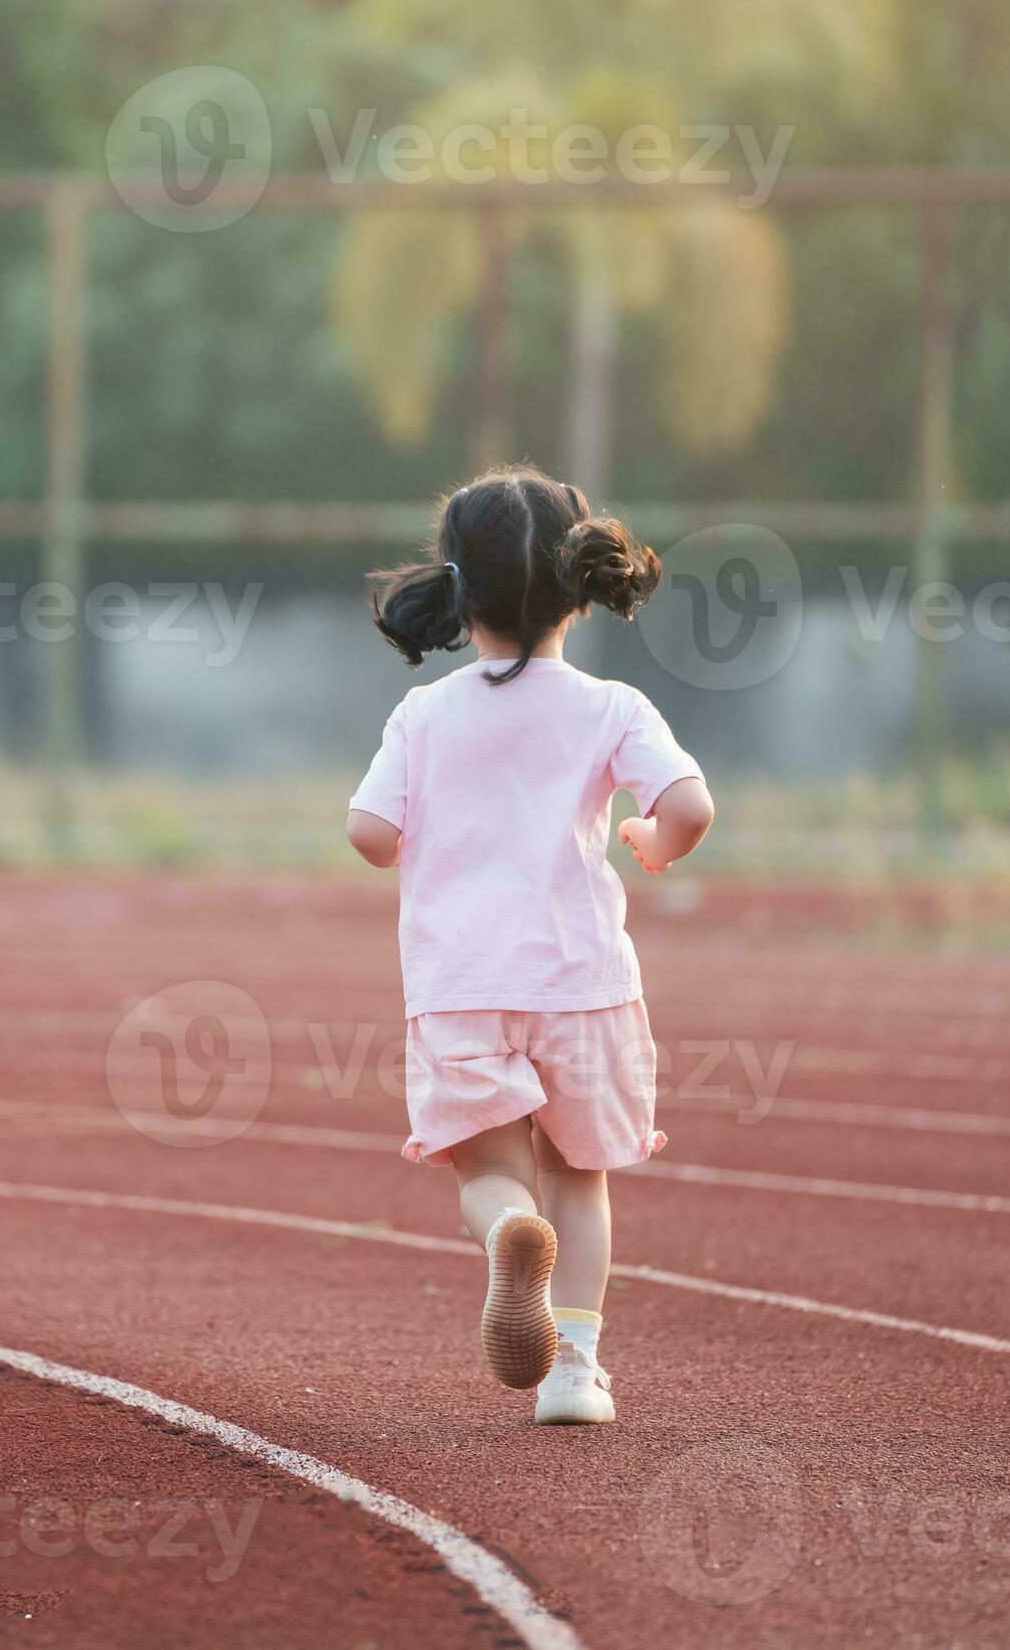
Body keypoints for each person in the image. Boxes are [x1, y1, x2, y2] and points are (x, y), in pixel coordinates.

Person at [345, 466, 716, 1426]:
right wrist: (651, 841)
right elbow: (688, 806)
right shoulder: (612, 709)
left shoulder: (423, 715)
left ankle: (511, 1230)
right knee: (580, 1177)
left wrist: (413, 833)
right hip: (580, 985)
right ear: (580, 589)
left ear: (458, 592)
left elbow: (370, 833)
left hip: (463, 985)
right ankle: (575, 1373)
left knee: (494, 1173)